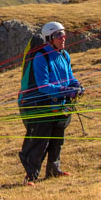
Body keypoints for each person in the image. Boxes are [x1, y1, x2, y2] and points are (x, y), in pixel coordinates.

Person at [17, 21, 83, 186]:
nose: (63, 38)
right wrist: (65, 90)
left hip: (60, 103)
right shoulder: (42, 56)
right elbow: (43, 85)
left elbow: (69, 77)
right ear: (49, 38)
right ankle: (31, 176)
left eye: (63, 34)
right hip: (43, 104)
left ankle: (54, 170)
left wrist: (76, 85)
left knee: (57, 138)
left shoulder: (64, 55)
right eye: (58, 35)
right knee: (40, 141)